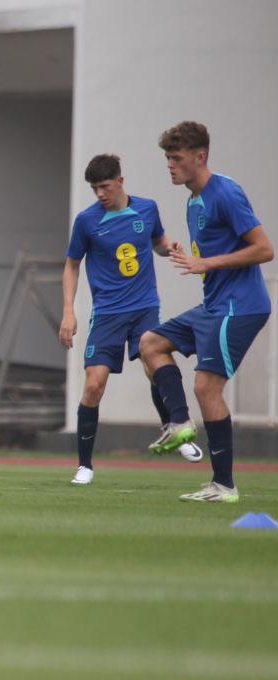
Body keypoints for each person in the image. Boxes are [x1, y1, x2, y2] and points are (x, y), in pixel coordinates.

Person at [139, 121, 273, 502]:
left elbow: (264, 249)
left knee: (206, 386)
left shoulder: (225, 192)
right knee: (150, 343)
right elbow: (211, 253)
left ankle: (224, 485)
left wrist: (207, 263)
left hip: (240, 307)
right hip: (214, 304)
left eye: (176, 158)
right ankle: (179, 423)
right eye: (167, 158)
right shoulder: (193, 199)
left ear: (200, 157)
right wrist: (190, 257)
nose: (170, 165)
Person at [60, 154, 201, 485]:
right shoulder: (86, 221)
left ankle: (176, 429)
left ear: (120, 182)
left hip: (144, 306)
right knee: (94, 384)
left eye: (105, 186)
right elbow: (71, 264)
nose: (99, 194)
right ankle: (84, 465)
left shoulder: (147, 209)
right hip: (107, 312)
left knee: (155, 367)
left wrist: (170, 248)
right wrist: (69, 311)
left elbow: (157, 242)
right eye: (94, 188)